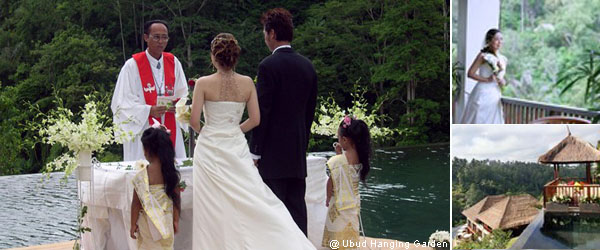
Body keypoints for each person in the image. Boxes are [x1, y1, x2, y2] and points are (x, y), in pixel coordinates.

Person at [190, 33, 316, 250]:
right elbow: (256, 120)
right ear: (235, 57)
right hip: (235, 145)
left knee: (210, 203)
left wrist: (209, 133)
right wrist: (233, 131)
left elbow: (193, 121)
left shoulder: (203, 83)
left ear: (213, 57)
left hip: (209, 148)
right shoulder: (247, 82)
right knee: (249, 196)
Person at [250, 8, 318, 235]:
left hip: (272, 154)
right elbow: (310, 112)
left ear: (271, 33)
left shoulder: (267, 66)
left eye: (264, 32)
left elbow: (263, 112)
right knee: (297, 211)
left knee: (273, 214)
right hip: (297, 152)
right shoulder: (308, 65)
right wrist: (303, 143)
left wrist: (255, 151)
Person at [111, 20, 189, 161]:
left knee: (171, 171)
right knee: (144, 171)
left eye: (164, 37)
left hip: (169, 123)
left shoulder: (174, 62)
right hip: (144, 127)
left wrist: (177, 106)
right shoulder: (132, 66)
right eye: (156, 37)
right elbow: (121, 102)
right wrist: (148, 110)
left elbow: (182, 94)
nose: (161, 41)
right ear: (146, 37)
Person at [322, 116, 371, 250]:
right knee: (350, 236)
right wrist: (339, 154)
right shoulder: (361, 158)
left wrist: (327, 198)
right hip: (353, 205)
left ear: (344, 140)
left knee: (337, 237)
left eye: (338, 138)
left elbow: (331, 181)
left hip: (338, 205)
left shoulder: (337, 162)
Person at [130, 125, 181, 249]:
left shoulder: (141, 177)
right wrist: (175, 220)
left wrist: (132, 225)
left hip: (147, 224)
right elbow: (176, 199)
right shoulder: (171, 174)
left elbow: (136, 204)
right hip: (166, 221)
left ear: (148, 150)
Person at [459, 28, 507, 124]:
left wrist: (503, 82)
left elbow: (502, 79)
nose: (499, 42)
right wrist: (487, 79)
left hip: (495, 95)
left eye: (501, 39)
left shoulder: (503, 59)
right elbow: (470, 73)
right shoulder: (483, 56)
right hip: (483, 93)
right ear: (489, 41)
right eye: (497, 39)